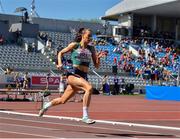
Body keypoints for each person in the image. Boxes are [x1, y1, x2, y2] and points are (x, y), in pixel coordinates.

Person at [39, 28, 107, 124]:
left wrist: (98, 59)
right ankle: (85, 116)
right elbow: (60, 53)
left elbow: (96, 66)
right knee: (89, 88)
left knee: (63, 100)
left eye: (91, 36)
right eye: (88, 36)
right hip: (73, 74)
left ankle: (46, 105)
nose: (90, 38)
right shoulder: (75, 45)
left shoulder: (91, 48)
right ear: (83, 36)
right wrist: (59, 63)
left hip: (83, 76)